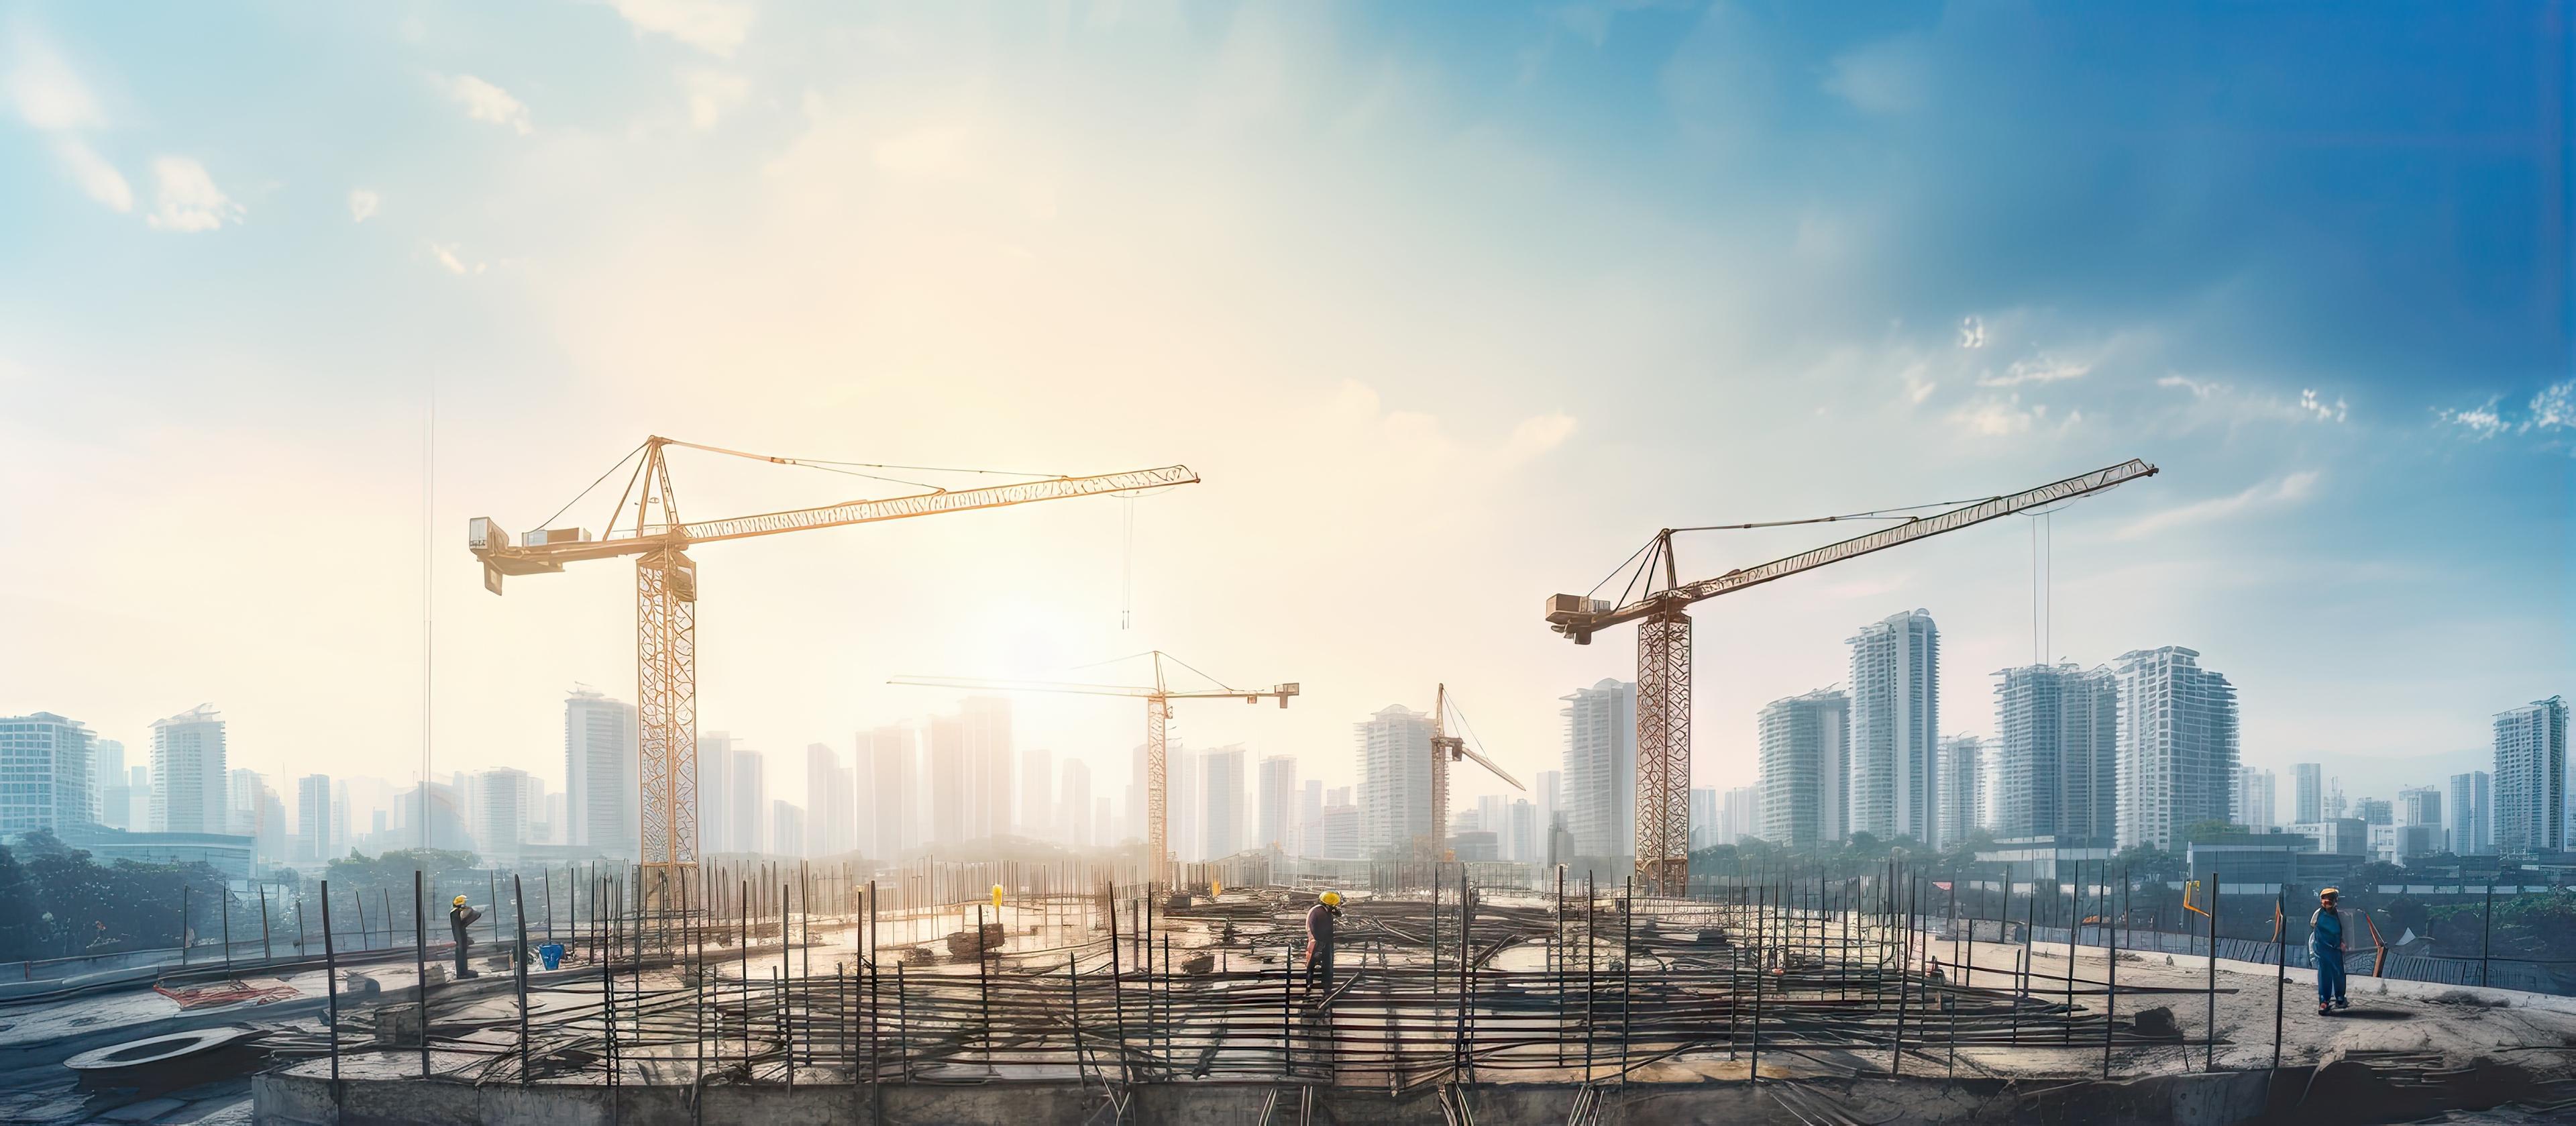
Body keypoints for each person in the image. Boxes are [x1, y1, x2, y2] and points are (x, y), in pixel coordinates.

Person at [2310, 887, 2347, 1015]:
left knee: (2338, 973)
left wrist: (2343, 944)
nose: (2327, 902)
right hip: (2322, 949)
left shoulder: (2341, 915)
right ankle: (2324, 1001)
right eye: (2325, 899)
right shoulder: (2317, 914)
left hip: (2336, 949)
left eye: (2330, 899)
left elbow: (2344, 931)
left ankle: (2340, 998)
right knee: (2324, 975)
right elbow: (2314, 929)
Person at [1304, 891, 1344, 994]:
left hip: (1327, 941)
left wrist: (1335, 910)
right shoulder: (1316, 911)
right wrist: (1319, 940)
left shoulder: (1327, 910)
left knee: (1328, 963)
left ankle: (1327, 984)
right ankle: (1309, 983)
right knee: (1312, 963)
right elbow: (1312, 927)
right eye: (1333, 905)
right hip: (1316, 941)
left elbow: (1339, 914)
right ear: (1328, 904)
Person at [449, 894, 483, 980]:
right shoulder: (457, 912)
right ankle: (462, 974)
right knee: (461, 953)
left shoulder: (454, 913)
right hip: (460, 938)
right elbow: (475, 913)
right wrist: (468, 908)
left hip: (460, 937)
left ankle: (463, 972)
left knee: (462, 952)